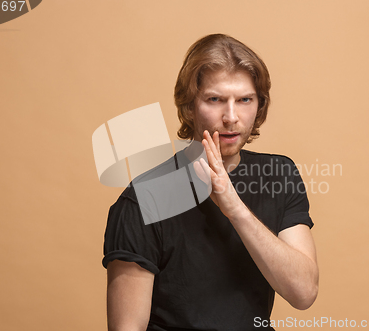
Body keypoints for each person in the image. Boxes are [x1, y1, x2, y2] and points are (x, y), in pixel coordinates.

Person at [103, 34, 319, 331]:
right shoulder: (145, 199)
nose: (231, 117)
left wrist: (235, 208)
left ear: (259, 106)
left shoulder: (278, 175)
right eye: (215, 99)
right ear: (190, 106)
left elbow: (304, 292)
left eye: (245, 100)